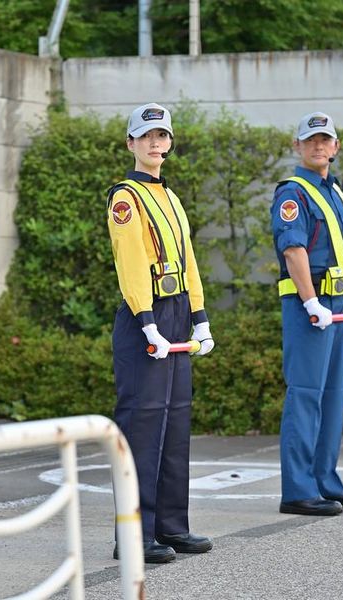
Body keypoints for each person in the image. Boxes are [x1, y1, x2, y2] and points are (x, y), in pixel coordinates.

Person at [106, 103, 214, 563]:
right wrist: (147, 321)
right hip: (143, 319)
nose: (155, 143)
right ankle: (134, 535)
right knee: (143, 424)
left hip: (175, 315)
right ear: (130, 142)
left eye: (162, 135)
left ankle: (171, 526)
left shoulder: (170, 197)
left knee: (175, 424)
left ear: (170, 142)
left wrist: (200, 315)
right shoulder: (125, 197)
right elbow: (131, 264)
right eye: (146, 135)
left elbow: (187, 259)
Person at [270, 111, 343, 516]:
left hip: (338, 306)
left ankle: (325, 481)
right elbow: (293, 250)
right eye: (310, 139)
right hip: (309, 308)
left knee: (331, 397)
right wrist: (310, 300)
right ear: (297, 146)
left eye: (325, 139)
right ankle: (298, 490)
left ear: (335, 146)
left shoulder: (339, 197)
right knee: (305, 396)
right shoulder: (292, 194)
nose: (318, 145)